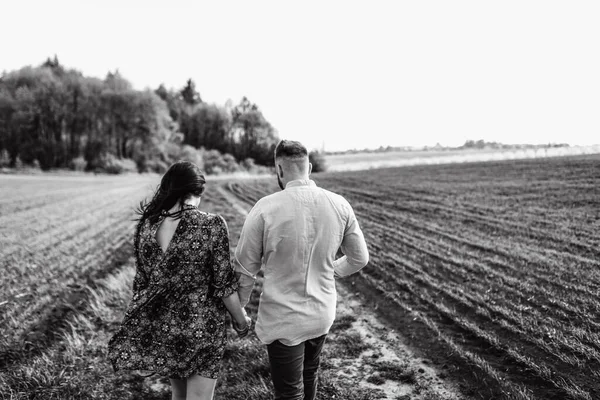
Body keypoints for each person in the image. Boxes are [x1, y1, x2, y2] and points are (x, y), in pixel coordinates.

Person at [234, 140, 370, 400]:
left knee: (289, 393)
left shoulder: (264, 208)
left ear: (279, 170)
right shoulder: (339, 204)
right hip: (322, 312)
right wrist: (332, 271)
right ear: (308, 167)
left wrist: (240, 309)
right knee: (310, 375)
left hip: (283, 319)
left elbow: (245, 269)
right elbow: (359, 258)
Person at [108, 161, 251, 400]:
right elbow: (223, 285)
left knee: (179, 394)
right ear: (196, 193)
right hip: (201, 328)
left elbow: (141, 283)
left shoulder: (146, 226)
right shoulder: (211, 225)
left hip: (165, 325)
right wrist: (241, 320)